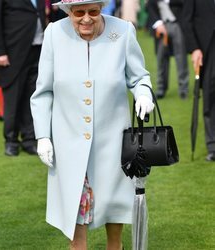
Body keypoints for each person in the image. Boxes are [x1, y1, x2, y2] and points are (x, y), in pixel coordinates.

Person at [30, 0, 154, 248]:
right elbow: (43, 92)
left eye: (93, 11)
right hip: (69, 142)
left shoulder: (123, 31)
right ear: (68, 12)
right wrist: (43, 135)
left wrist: (143, 93)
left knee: (114, 203)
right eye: (79, 12)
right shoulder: (54, 33)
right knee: (75, 210)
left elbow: (139, 76)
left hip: (113, 140)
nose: (86, 18)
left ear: (101, 9)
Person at [0, 0, 46, 156]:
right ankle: (11, 141)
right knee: (12, 98)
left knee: (33, 96)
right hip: (13, 51)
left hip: (39, 48)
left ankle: (29, 139)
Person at [182, 0, 215, 161]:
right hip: (207, 48)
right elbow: (186, 20)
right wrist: (194, 48)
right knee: (210, 96)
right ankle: (213, 146)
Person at [147, 0, 189, 99]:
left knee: (181, 57)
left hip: (177, 24)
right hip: (161, 26)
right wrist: (158, 24)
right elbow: (150, 7)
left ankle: (183, 89)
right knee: (161, 58)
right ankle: (161, 88)